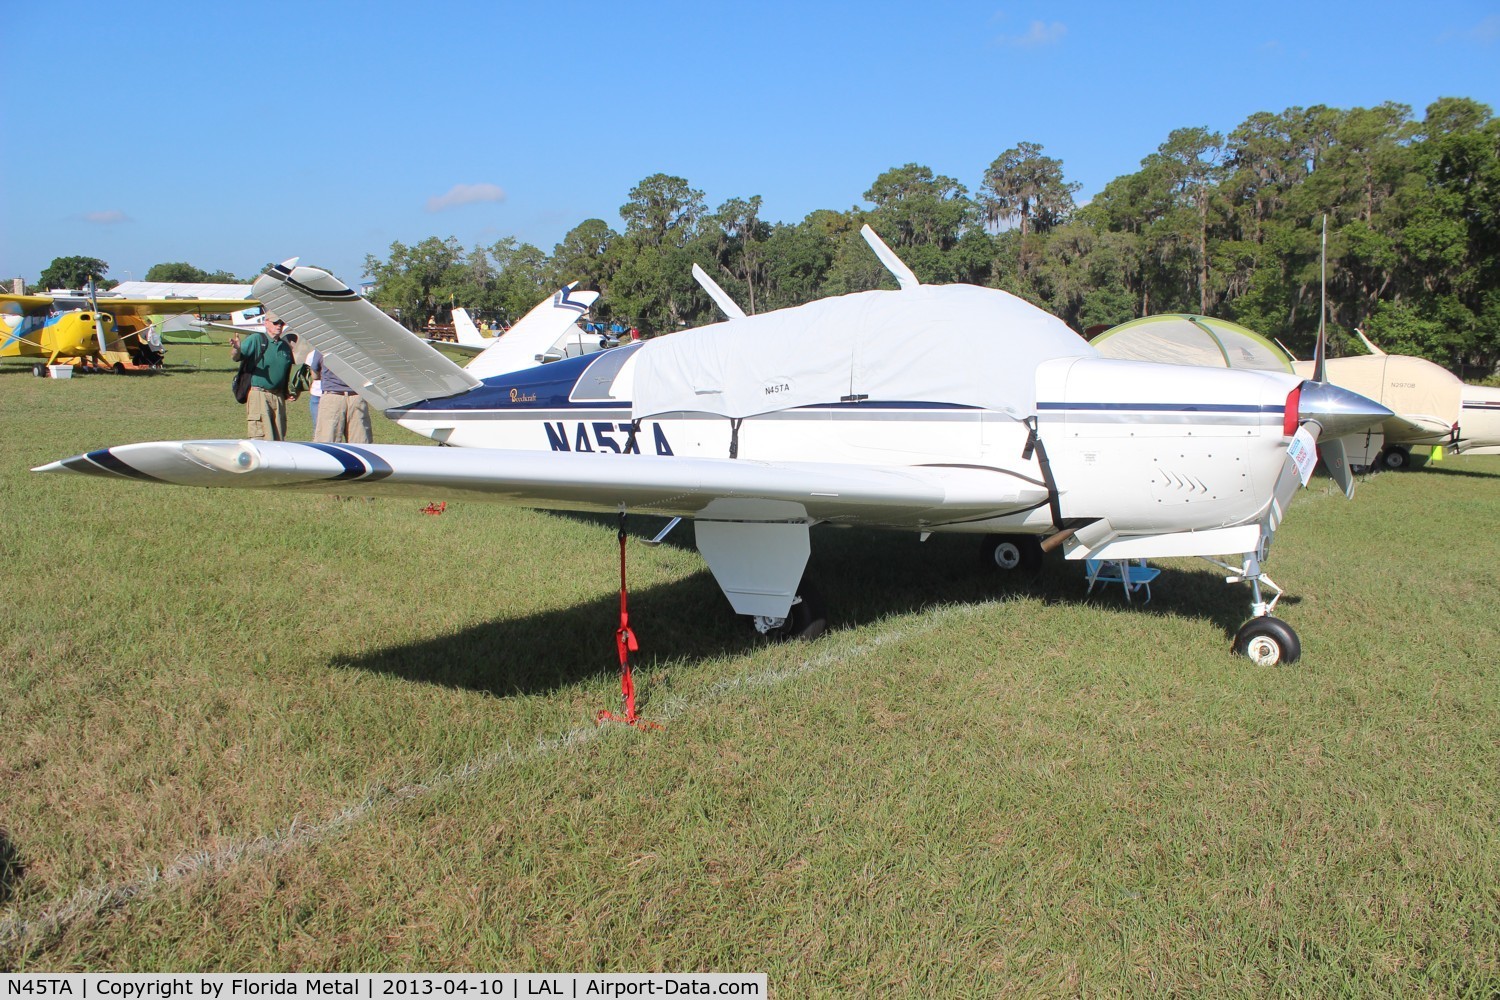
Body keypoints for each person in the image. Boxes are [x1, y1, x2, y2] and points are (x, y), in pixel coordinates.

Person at [230, 313, 297, 440]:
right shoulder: (256, 339)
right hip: (259, 394)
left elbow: (286, 371)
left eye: (281, 323)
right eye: (275, 323)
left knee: (278, 438)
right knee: (260, 437)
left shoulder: (285, 347)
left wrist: (287, 392)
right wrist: (236, 349)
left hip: (278, 397)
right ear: (266, 323)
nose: (279, 326)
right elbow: (236, 357)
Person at [314, 353, 372, 444]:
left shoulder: (323, 345)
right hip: (357, 397)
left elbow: (314, 373)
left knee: (327, 442)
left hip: (332, 397)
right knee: (360, 443)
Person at [305, 346, 324, 428]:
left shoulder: (313, 354)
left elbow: (314, 375)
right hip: (317, 394)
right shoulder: (311, 355)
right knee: (318, 425)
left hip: (325, 394)